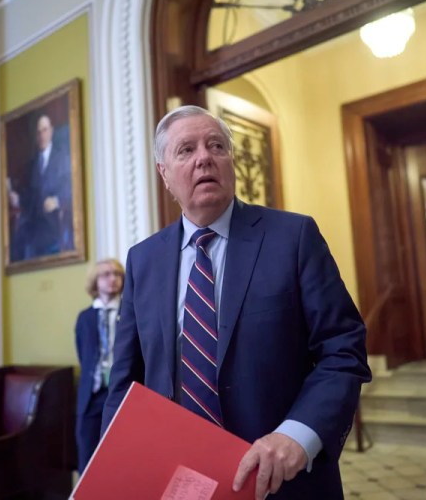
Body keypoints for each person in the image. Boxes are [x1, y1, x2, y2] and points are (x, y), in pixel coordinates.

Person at [102, 105, 371, 499]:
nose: (204, 158)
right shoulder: (143, 260)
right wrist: (115, 470)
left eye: (216, 146)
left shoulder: (293, 237)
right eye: (186, 150)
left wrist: (297, 435)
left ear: (230, 161)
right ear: (164, 173)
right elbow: (127, 383)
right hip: (178, 480)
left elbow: (343, 350)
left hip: (280, 481)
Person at [75, 258, 125, 473]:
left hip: (121, 392)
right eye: (105, 274)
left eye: (117, 274)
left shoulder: (129, 312)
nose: (112, 278)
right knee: (87, 453)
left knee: (119, 454)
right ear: (95, 281)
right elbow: (83, 355)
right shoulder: (85, 318)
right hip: (92, 395)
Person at [8, 114, 73, 260]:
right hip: (33, 223)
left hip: (53, 223)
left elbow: (70, 188)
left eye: (45, 130)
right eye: (38, 132)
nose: (42, 135)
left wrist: (56, 201)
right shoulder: (32, 165)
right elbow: (30, 195)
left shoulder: (62, 158)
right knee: (17, 246)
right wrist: (18, 199)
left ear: (51, 131)